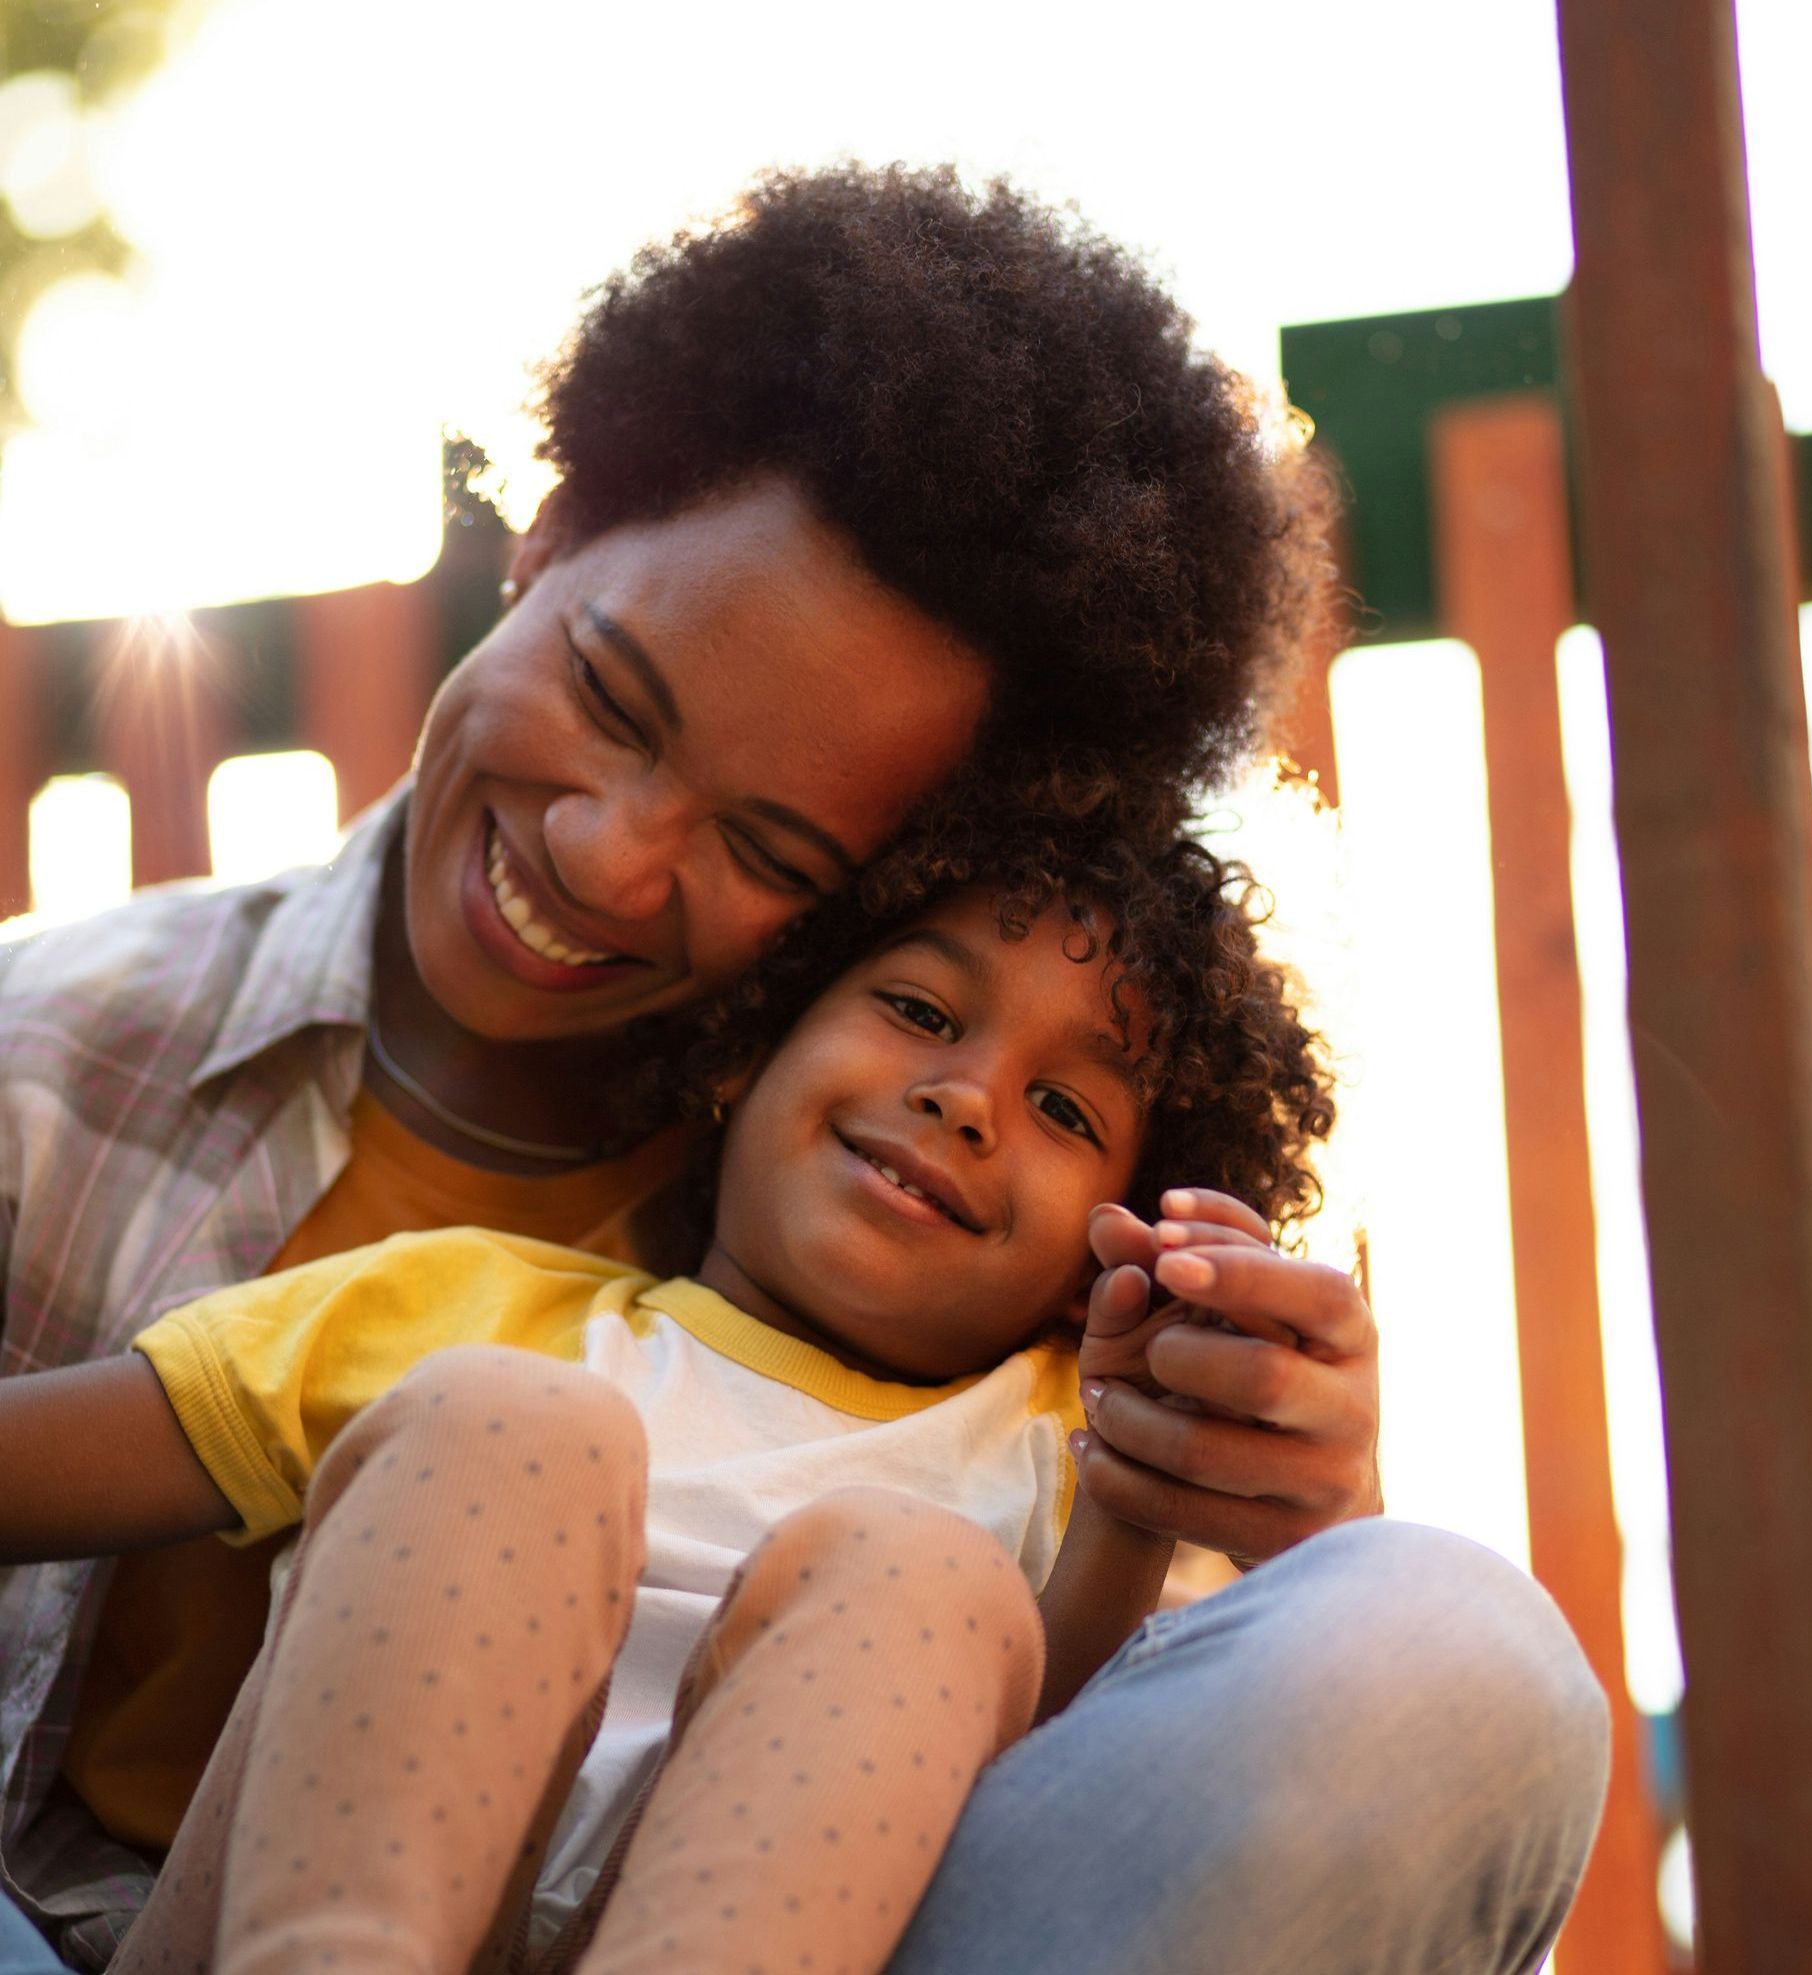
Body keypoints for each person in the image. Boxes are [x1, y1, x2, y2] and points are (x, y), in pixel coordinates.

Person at [0, 161, 1365, 1969]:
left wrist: (1295, 1522)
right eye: (615, 697)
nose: (609, 857)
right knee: (509, 1428)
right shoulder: (57, 1069)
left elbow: (1162, 1784)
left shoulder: (978, 1322)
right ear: (548, 532)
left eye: (779, 856)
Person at [1, 826, 1606, 1974]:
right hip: (302, 1923)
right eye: (918, 1008)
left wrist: (1140, 1473)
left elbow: (1080, 1796)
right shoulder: (459, 1300)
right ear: (743, 1056)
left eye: (1063, 1107)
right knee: (509, 1425)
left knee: (918, 1582)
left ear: (1093, 1253)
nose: (968, 1095)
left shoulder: (1064, 1452)